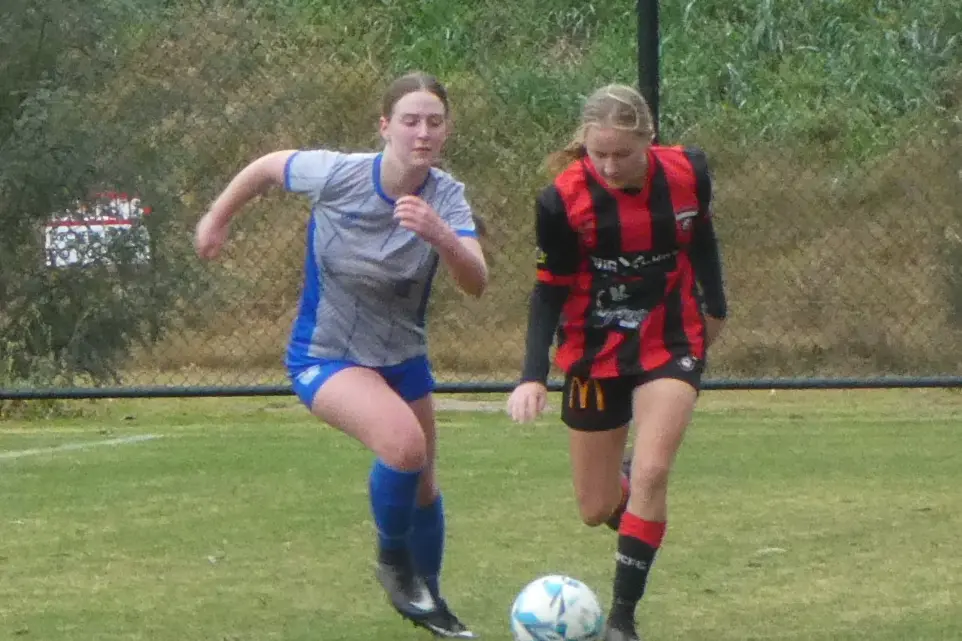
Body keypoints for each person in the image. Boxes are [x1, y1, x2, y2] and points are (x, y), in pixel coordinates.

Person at [195, 71, 487, 639]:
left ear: (446, 132)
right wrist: (217, 217)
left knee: (424, 484)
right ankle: (392, 565)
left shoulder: (446, 196)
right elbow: (265, 167)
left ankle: (431, 601)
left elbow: (476, 281)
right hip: (325, 354)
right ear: (384, 127)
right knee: (405, 447)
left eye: (434, 122)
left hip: (403, 356)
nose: (422, 132)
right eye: (410, 120)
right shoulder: (338, 174)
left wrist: (443, 238)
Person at [506, 84, 728, 641]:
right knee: (596, 506)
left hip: (668, 336)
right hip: (593, 347)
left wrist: (716, 305)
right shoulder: (561, 201)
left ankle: (621, 621)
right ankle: (630, 497)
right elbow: (548, 290)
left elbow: (700, 236)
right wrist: (534, 374)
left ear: (648, 141)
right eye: (596, 153)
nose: (608, 165)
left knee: (655, 470)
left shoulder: (688, 173)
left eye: (621, 154)